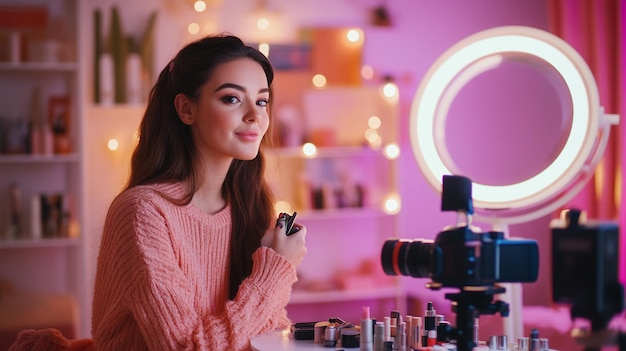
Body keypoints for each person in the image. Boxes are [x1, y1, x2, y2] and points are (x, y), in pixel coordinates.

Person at [91, 34, 307, 350]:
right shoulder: (143, 212)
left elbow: (268, 333)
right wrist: (274, 271)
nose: (255, 115)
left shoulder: (250, 206)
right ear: (186, 109)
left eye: (261, 101)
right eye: (232, 98)